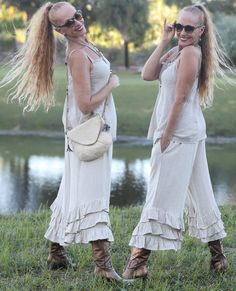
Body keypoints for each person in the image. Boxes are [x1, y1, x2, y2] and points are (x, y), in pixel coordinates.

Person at [0, 2, 122, 281]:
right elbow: (85, 102)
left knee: (72, 189)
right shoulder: (77, 54)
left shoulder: (86, 45)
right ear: (59, 30)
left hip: (87, 130)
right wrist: (112, 84)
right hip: (88, 133)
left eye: (77, 15)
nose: (77, 22)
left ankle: (57, 252)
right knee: (94, 194)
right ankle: (103, 267)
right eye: (68, 23)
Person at [122, 4, 232, 279]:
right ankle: (218, 258)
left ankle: (138, 263)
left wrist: (166, 137)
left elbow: (181, 99)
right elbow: (147, 74)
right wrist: (164, 41)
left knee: (159, 194)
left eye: (188, 28)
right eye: (178, 26)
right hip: (189, 132)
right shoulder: (179, 51)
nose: (182, 32)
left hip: (179, 134)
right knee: (202, 194)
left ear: (201, 31)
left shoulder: (191, 54)